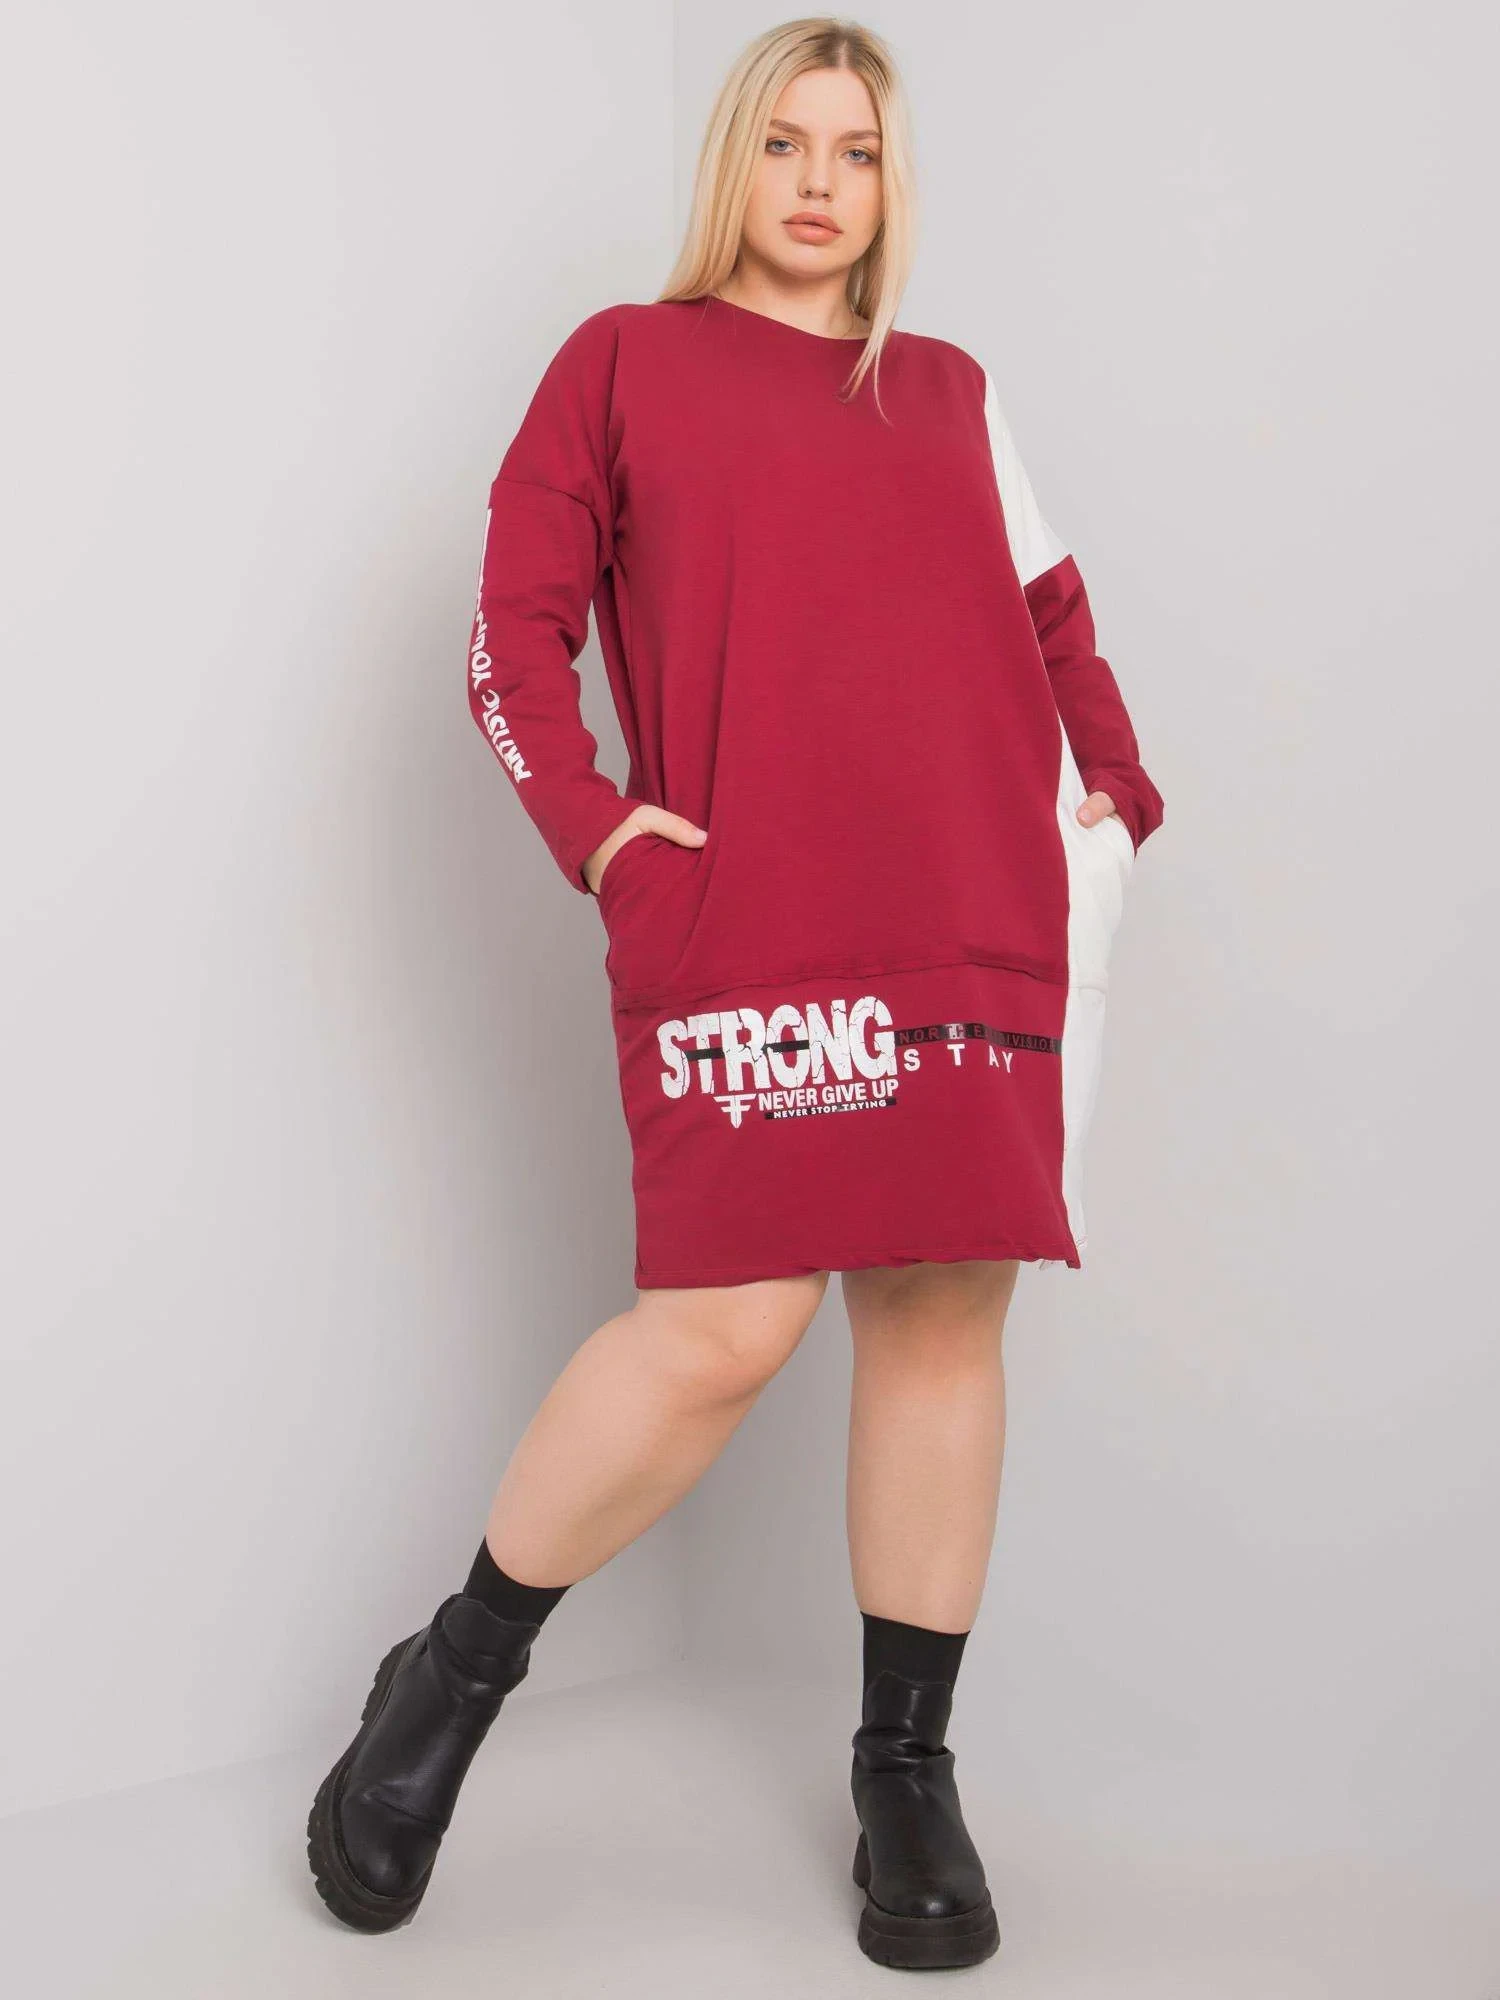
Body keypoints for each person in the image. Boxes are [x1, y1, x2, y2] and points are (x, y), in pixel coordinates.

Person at [306, 15, 1164, 1974]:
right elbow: (511, 621)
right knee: (721, 1329)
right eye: (784, 142)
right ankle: (453, 1673)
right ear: (733, 163)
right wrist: (599, 827)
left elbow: (1053, 614)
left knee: (940, 1311)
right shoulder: (623, 363)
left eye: (854, 152)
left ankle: (905, 1771)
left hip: (967, 909)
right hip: (751, 922)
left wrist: (1113, 794)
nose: (817, 183)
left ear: (889, 183)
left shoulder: (949, 389)